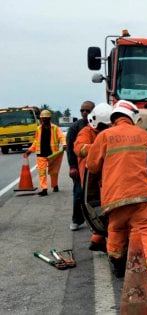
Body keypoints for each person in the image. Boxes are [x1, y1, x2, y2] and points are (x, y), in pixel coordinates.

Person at [86, 100, 147, 294]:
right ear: (132, 116)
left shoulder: (104, 136)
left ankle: (117, 262)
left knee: (116, 228)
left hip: (115, 196)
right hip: (141, 194)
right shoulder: (142, 134)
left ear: (114, 116)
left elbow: (91, 166)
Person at [74, 103, 113, 252]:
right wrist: (100, 147)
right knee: (100, 208)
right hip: (91, 178)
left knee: (102, 208)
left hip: (103, 176)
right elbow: (79, 148)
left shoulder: (107, 132)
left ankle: (97, 239)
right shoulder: (86, 132)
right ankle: (103, 240)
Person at [66, 100, 95, 231]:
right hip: (80, 169)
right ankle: (76, 219)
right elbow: (71, 150)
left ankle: (94, 221)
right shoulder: (75, 127)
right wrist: (72, 166)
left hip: (96, 168)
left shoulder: (97, 125)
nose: (84, 112)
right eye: (82, 110)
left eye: (87, 111)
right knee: (79, 194)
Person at [24, 109, 67, 196]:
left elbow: (61, 137)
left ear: (49, 118)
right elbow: (36, 142)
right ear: (41, 119)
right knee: (41, 172)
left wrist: (64, 144)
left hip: (53, 154)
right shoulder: (38, 129)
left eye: (46, 118)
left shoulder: (55, 128)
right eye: (43, 118)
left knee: (53, 171)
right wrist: (30, 150)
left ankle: (55, 185)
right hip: (41, 153)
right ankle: (44, 189)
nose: (44, 120)